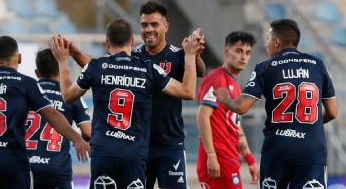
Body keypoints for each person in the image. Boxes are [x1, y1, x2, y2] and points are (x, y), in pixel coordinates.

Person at [49, 19, 204, 188]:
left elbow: (67, 95)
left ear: (107, 43)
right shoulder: (148, 69)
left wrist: (63, 60)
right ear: (131, 42)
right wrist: (189, 55)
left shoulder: (96, 66)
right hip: (134, 154)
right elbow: (188, 91)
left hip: (103, 153)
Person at [0, 36, 90, 189]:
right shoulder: (26, 83)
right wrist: (76, 139)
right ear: (19, 58)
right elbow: (51, 114)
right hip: (13, 163)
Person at [213, 19, 338, 189]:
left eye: (268, 39)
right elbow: (332, 112)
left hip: (277, 149)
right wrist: (306, 124)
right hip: (311, 150)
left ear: (277, 42)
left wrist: (225, 99)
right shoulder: (318, 65)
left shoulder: (265, 67)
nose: (266, 45)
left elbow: (241, 107)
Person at [196, 31, 258, 189]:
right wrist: (211, 156)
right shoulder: (217, 79)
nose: (243, 57)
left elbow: (235, 125)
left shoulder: (235, 85)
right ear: (226, 51)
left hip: (229, 159)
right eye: (238, 51)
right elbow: (202, 117)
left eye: (247, 53)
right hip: (218, 160)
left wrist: (250, 160)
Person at [26, 48, 92, 189]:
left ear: (37, 73)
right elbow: (88, 133)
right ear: (60, 71)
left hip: (27, 168)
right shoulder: (71, 95)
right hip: (57, 169)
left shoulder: (26, 93)